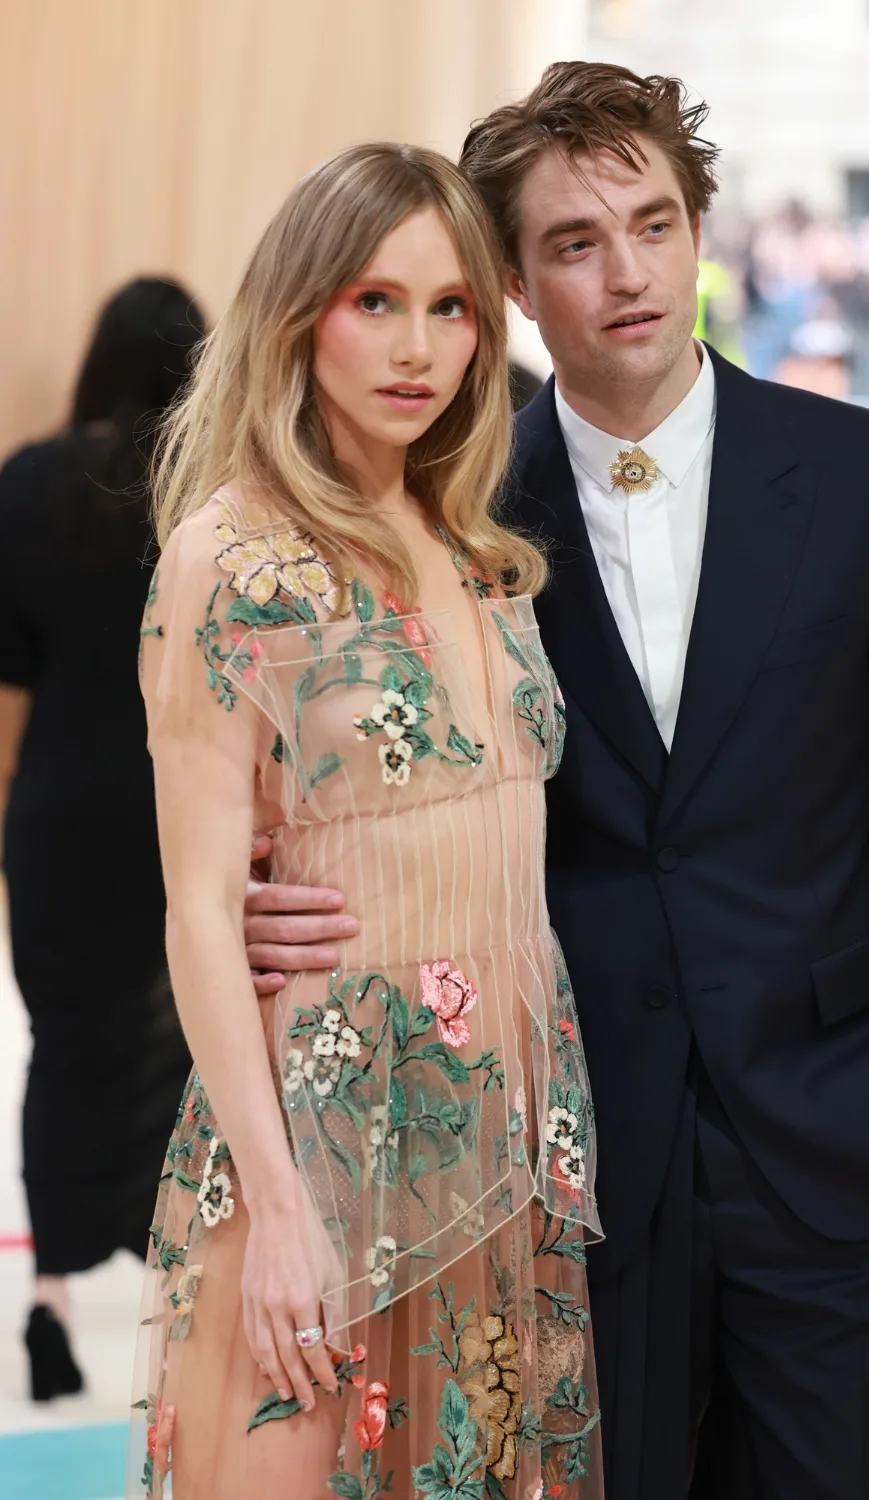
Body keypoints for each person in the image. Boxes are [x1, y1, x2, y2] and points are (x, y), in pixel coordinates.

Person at [248, 64, 869, 1499]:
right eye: (576, 245)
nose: (627, 274)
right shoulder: (453, 522)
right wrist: (263, 896)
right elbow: (370, 788)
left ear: (701, 235)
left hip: (848, 1133)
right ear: (519, 287)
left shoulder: (859, 471)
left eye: (653, 224)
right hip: (574, 1162)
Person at [129, 144, 603, 1500]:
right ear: (299, 315)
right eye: (374, 301)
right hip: (325, 1126)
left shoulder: (473, 547)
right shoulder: (234, 557)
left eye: (452, 307)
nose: (419, 347)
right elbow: (204, 904)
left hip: (503, 1124)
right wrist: (281, 1209)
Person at [0, 278, 206, 1400]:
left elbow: (12, 656)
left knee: (63, 1045)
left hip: (62, 813)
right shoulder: (215, 486)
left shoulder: (32, 480)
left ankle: (49, 1303)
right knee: (189, 1051)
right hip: (189, 809)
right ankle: (175, 1301)